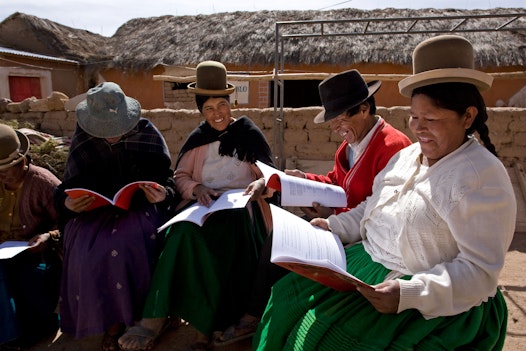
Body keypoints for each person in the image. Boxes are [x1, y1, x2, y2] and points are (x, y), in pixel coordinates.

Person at [254, 34, 517, 350]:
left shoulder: (481, 177)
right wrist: (334, 226)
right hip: (365, 267)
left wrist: (409, 293)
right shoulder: (406, 156)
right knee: (285, 299)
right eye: (414, 117)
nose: (418, 129)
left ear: (468, 116)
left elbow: (478, 272)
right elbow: (373, 206)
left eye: (430, 119)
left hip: (426, 293)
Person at [214, 69, 412, 345]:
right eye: (333, 120)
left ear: (364, 109)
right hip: (339, 227)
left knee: (285, 255)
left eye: (342, 117)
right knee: (277, 242)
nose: (335, 127)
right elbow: (336, 183)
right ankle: (254, 314)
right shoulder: (351, 145)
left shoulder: (393, 147)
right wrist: (297, 180)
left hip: (365, 241)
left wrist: (331, 220)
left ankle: (258, 317)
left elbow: (379, 208)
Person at [118, 60, 275, 351]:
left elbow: (270, 176)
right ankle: (155, 317)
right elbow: (180, 177)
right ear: (200, 111)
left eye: (222, 106)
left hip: (243, 210)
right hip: (205, 208)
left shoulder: (248, 133)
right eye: (209, 109)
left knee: (227, 242)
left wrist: (260, 185)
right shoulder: (198, 139)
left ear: (231, 102)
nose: (218, 114)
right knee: (179, 236)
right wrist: (197, 188)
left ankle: (206, 329)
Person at [53, 82, 177, 351]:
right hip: (94, 212)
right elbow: (64, 189)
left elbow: (167, 180)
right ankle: (111, 322)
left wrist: (163, 194)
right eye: (104, 130)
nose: (111, 136)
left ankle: (146, 316)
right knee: (85, 247)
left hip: (139, 209)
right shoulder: (83, 138)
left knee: (130, 240)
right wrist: (68, 204)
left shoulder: (147, 133)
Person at [0, 124, 62, 350]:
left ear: (22, 162)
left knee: (30, 276)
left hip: (37, 252)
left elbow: (70, 223)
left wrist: (48, 236)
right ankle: (9, 335)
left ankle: (42, 327)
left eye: (5, 171)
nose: (1, 176)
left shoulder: (43, 182)